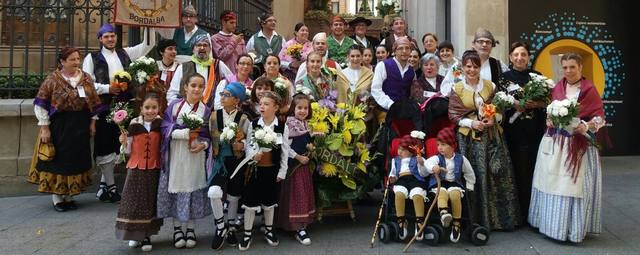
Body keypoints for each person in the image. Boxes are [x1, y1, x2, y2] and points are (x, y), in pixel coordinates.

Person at [528, 53, 606, 243]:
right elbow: (550, 112)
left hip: (578, 145)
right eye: (565, 67)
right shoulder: (557, 88)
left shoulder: (589, 89)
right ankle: (550, 225)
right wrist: (549, 119)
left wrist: (586, 126)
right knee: (550, 182)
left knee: (571, 186)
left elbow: (600, 118)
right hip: (556, 143)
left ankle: (571, 229)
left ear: (580, 67)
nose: (568, 71)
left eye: (572, 67)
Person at [447, 50, 521, 231]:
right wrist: (472, 123)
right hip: (468, 139)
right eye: (468, 66)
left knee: (495, 175)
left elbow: (501, 111)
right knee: (473, 175)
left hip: (491, 137)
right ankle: (472, 219)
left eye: (475, 66)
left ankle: (497, 220)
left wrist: (492, 119)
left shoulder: (490, 86)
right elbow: (453, 115)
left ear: (480, 67)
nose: (471, 70)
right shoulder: (457, 88)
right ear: (462, 68)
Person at [82, 23, 155, 203]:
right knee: (105, 145)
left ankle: (104, 186)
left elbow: (148, 45)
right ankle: (112, 188)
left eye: (112, 36)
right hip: (103, 107)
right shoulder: (92, 57)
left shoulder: (125, 53)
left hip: (124, 105)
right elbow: (86, 84)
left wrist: (150, 24)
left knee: (119, 146)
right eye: (106, 36)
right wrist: (108, 88)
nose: (110, 39)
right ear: (100, 39)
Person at [29, 47, 101, 212]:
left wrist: (92, 123)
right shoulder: (52, 80)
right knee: (59, 160)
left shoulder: (86, 78)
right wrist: (45, 129)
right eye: (72, 60)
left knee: (76, 158)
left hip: (80, 124)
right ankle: (57, 197)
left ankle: (69, 195)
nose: (76, 62)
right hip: (59, 125)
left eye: (77, 59)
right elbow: (41, 104)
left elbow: (94, 103)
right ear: (62, 62)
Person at [157, 73, 212, 249]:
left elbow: (208, 136)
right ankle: (177, 229)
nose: (197, 89)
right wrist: (184, 133)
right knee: (178, 188)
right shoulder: (174, 107)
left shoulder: (206, 110)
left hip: (195, 155)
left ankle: (190, 229)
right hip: (177, 154)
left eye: (200, 86)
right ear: (185, 87)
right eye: (193, 85)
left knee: (193, 189)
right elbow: (165, 128)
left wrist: (203, 145)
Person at [498, 42, 546, 219]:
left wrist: (537, 103)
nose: (520, 58)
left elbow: (547, 101)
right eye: (516, 54)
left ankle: (533, 213)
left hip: (533, 130)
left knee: (533, 169)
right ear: (510, 57)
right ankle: (517, 213)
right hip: (513, 131)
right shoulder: (504, 78)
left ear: (528, 57)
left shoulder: (537, 77)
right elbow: (498, 102)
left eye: (523, 54)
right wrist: (514, 104)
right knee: (516, 170)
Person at [239, 91, 290, 251]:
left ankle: (269, 230)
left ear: (276, 107)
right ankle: (247, 233)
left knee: (269, 202)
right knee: (250, 202)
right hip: (254, 170)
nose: (262, 107)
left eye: (266, 104)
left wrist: (282, 171)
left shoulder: (282, 126)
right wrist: (253, 155)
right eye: (260, 104)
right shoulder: (254, 124)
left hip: (271, 171)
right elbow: (248, 145)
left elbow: (284, 151)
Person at [115, 93, 164, 252]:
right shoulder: (134, 125)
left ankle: (146, 235)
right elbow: (128, 150)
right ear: (141, 109)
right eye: (147, 107)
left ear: (159, 108)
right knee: (134, 201)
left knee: (149, 202)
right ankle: (134, 235)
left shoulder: (161, 124)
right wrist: (123, 142)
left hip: (154, 168)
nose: (150, 111)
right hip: (136, 168)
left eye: (154, 107)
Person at [208, 82, 251, 250]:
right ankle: (220, 227)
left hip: (237, 162)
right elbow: (207, 138)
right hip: (220, 162)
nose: (222, 98)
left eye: (226, 95)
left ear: (236, 99)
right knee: (213, 192)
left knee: (234, 196)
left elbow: (251, 140)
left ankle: (231, 227)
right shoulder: (213, 116)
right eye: (222, 95)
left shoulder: (244, 119)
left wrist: (243, 145)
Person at [424, 127, 476, 243]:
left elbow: (469, 172)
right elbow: (428, 163)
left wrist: (470, 186)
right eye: (438, 145)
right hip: (439, 184)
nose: (440, 148)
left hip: (454, 183)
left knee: (455, 194)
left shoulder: (460, 158)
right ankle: (444, 213)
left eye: (443, 145)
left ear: (452, 145)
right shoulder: (437, 158)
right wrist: (434, 167)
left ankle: (456, 224)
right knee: (441, 192)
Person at [277, 93, 316, 245]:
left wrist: (311, 148)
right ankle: (297, 227)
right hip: (294, 165)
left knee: (303, 193)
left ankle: (301, 224)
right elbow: (285, 147)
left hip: (303, 166)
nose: (302, 111)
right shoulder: (290, 124)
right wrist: (298, 157)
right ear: (293, 108)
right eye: (299, 108)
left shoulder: (305, 124)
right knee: (296, 193)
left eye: (306, 108)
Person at [167, 34, 232, 107]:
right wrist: (179, 109)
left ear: (210, 49)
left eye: (205, 45)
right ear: (193, 49)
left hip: (212, 112)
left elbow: (232, 83)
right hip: (186, 111)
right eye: (198, 45)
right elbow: (172, 93)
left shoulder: (218, 65)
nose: (202, 48)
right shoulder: (183, 67)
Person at [442, 28, 508, 96]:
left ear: (492, 46)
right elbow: (445, 87)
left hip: (490, 105)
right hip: (464, 105)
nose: (484, 44)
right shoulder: (460, 64)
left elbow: (508, 86)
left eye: (488, 42)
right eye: (480, 41)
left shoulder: (498, 65)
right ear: (473, 44)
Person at [388, 135, 428, 241]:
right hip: (401, 179)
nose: (399, 152)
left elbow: (424, 174)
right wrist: (392, 178)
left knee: (417, 194)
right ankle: (401, 220)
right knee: (399, 193)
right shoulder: (395, 160)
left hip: (415, 179)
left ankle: (419, 221)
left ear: (410, 151)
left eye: (403, 150)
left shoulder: (418, 159)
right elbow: (393, 173)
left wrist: (421, 164)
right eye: (399, 149)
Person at [371, 37, 416, 112]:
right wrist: (390, 104)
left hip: (405, 113)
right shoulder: (383, 65)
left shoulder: (412, 71)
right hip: (386, 112)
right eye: (400, 48)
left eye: (407, 48)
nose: (404, 51)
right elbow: (375, 89)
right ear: (394, 51)